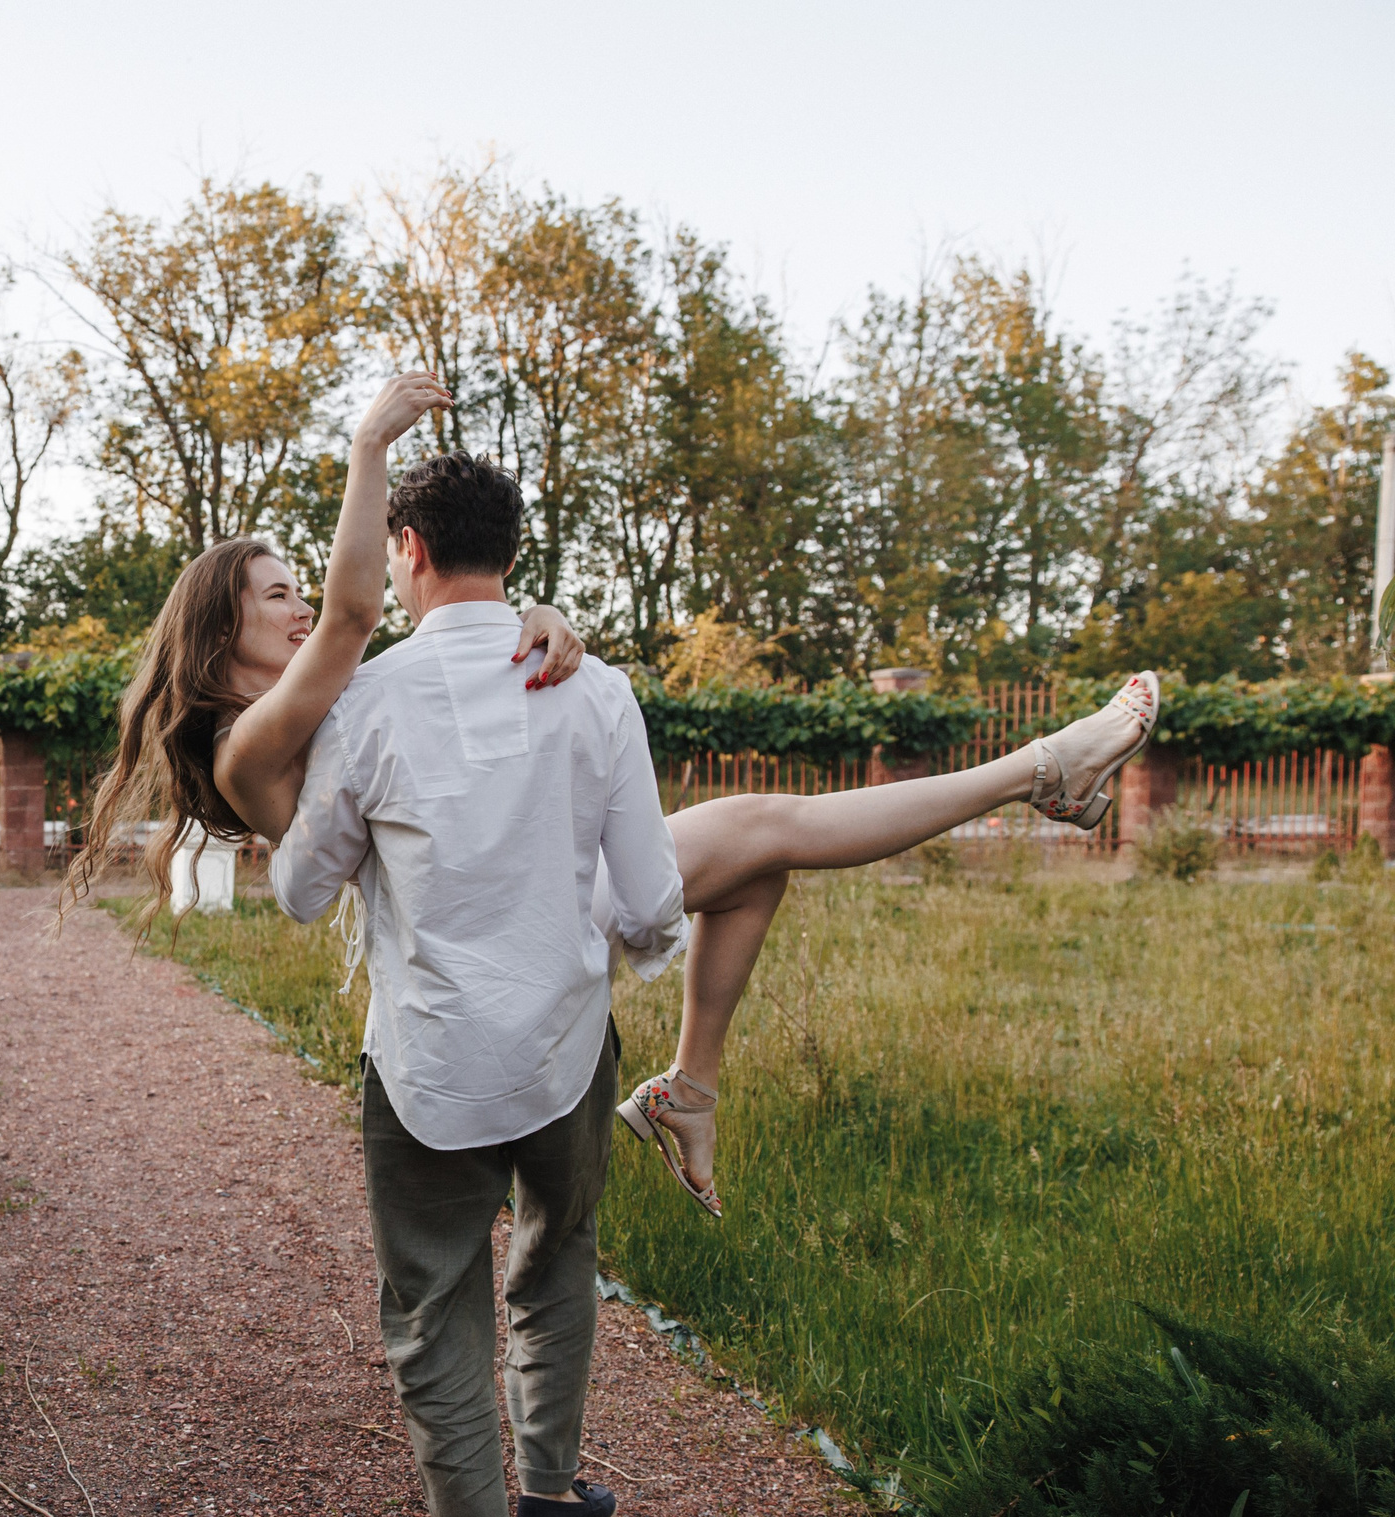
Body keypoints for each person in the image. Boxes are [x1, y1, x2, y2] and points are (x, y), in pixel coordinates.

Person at [69, 374, 1158, 1219]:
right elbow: (363, 616)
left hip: (519, 893)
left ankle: (691, 1088)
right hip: (498, 927)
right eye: (277, 598)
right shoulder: (249, 746)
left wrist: (533, 620)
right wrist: (368, 448)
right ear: (220, 632)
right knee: (767, 830)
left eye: (300, 593)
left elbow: (439, 665)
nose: (305, 610)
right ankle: (1040, 773)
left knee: (763, 852)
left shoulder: (334, 705)